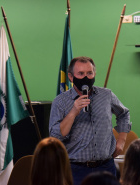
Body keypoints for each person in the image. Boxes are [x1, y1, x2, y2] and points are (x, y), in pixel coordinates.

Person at [49, 56, 131, 185]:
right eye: (80, 74)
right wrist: (73, 111)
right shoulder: (60, 102)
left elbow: (124, 114)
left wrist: (121, 141)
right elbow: (55, 136)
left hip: (106, 167)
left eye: (89, 73)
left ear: (94, 74)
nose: (86, 77)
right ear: (71, 77)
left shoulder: (106, 95)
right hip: (75, 169)